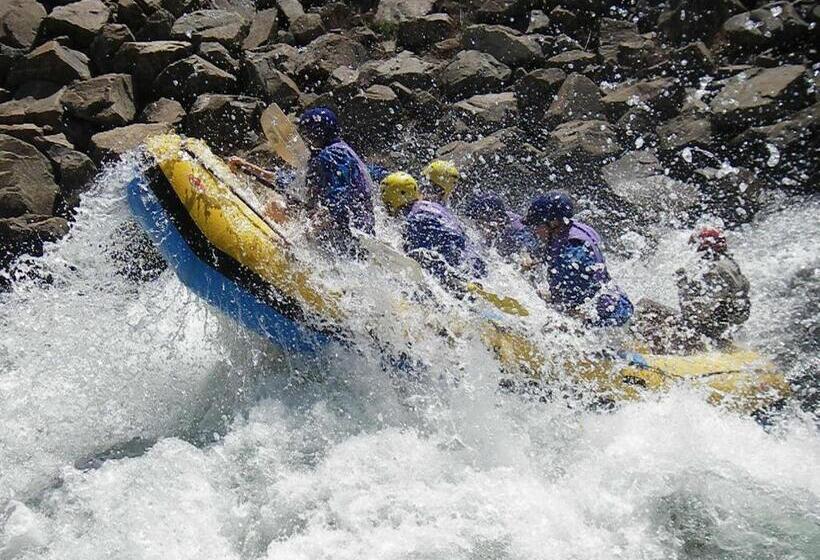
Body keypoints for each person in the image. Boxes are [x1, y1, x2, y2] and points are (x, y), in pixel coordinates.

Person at [229, 107, 374, 255]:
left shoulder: (332, 156)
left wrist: (296, 240)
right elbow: (287, 182)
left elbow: (334, 207)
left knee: (278, 207)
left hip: (347, 241)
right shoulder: (334, 152)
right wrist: (247, 167)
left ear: (316, 134)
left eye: (307, 134)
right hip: (349, 233)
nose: (304, 139)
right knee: (277, 205)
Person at [523, 191, 633, 327]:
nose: (534, 231)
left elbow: (567, 307)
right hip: (619, 302)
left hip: (608, 320)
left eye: (537, 225)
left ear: (554, 223)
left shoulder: (571, 258)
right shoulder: (574, 228)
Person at [380, 171, 485, 290]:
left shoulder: (413, 220)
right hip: (473, 261)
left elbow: (419, 260)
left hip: (458, 270)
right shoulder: (433, 206)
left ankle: (464, 285)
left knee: (420, 258)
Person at [676, 227, 750, 344]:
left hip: (703, 335)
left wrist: (683, 285)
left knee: (646, 306)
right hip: (722, 332)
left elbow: (698, 313)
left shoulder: (713, 269)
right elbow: (742, 315)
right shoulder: (732, 266)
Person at [463, 192, 536, 259]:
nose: (491, 224)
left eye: (497, 217)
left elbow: (527, 242)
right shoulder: (471, 231)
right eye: (484, 219)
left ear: (500, 218)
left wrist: (525, 255)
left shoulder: (516, 227)